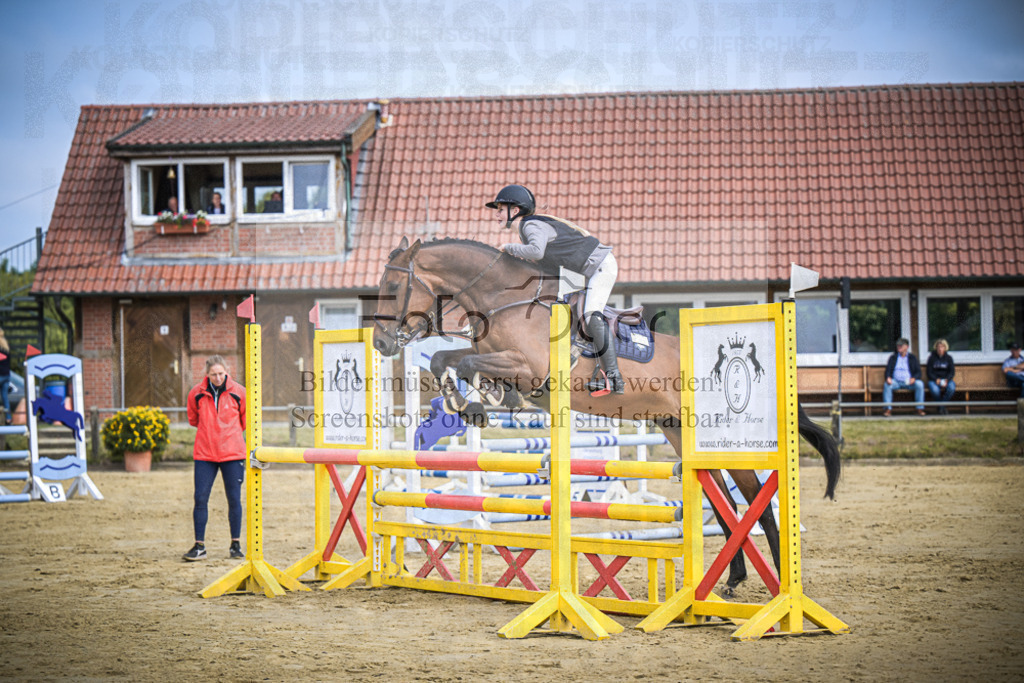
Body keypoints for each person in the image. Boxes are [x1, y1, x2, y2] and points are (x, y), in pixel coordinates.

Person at [488, 184, 623, 395]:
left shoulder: (530, 226)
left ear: (514, 211)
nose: (496, 214)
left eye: (499, 209)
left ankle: (615, 378)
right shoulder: (527, 230)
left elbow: (536, 252)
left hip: (601, 267)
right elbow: (544, 266)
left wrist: (507, 248)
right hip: (581, 271)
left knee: (590, 314)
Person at [183, 356, 246, 561]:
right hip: (205, 454)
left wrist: (228, 435)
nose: (218, 378)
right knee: (200, 498)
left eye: (221, 374)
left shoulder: (240, 393)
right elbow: (193, 419)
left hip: (233, 453)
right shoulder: (196, 394)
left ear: (227, 372)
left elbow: (245, 421)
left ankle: (235, 545)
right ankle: (199, 546)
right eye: (213, 374)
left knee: (234, 498)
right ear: (207, 374)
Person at [883, 337, 925, 416]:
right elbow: (887, 371)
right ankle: (887, 409)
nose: (899, 347)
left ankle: (919, 409)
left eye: (901, 345)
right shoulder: (893, 357)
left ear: (907, 347)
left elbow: (918, 372)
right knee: (887, 385)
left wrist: (914, 378)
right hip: (896, 381)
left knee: (920, 384)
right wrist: (888, 377)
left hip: (909, 382)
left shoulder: (912, 358)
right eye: (898, 345)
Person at [925, 338, 956, 414]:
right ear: (936, 347)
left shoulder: (949, 358)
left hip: (946, 380)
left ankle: (941, 407)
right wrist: (936, 379)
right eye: (938, 347)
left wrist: (947, 380)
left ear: (945, 348)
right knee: (935, 390)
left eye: (942, 346)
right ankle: (942, 407)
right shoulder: (931, 358)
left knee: (952, 388)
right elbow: (929, 372)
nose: (940, 348)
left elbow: (952, 372)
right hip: (934, 380)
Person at [0, 327, 10, 425]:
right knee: (5, 397)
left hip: (0, 375)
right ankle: (8, 418)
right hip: (7, 375)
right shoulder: (6, 346)